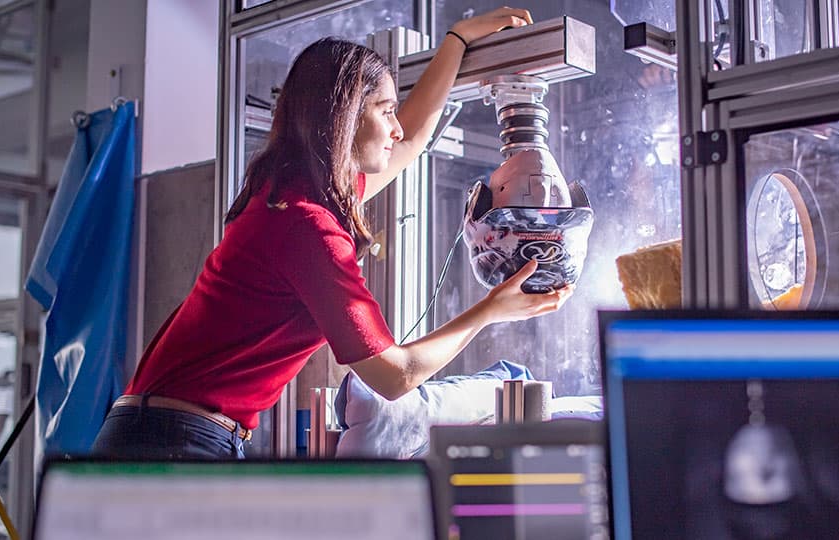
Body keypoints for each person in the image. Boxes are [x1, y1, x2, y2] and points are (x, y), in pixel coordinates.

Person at [92, 6, 573, 460]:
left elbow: (414, 138)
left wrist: (457, 40)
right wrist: (490, 311)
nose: (395, 128)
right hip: (174, 441)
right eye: (385, 111)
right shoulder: (308, 226)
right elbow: (394, 375)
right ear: (344, 117)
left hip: (159, 431)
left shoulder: (291, 193)